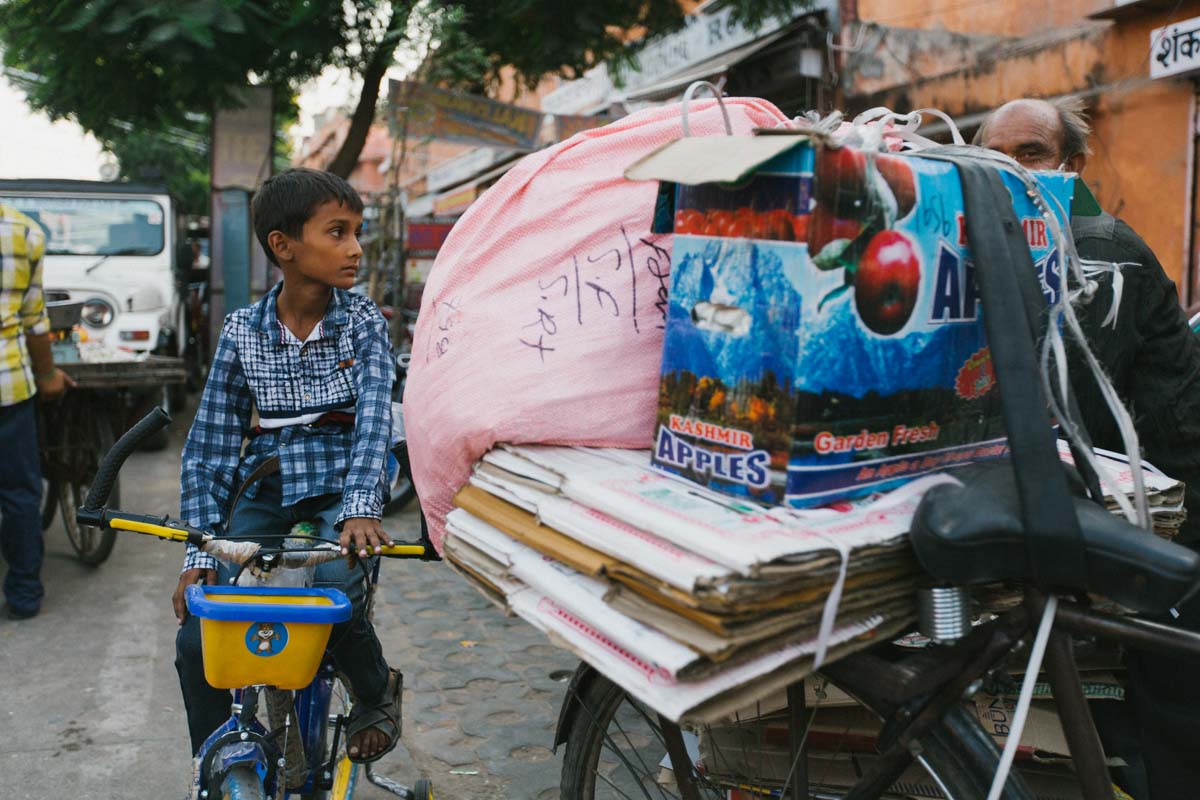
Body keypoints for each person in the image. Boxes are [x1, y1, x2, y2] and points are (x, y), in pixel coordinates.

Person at [978, 97, 1200, 800]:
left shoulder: (1096, 248)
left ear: (1072, 166)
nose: (1010, 172)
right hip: (1088, 496)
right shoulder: (984, 240)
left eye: (1032, 155)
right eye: (993, 156)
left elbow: (1068, 412)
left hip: (1160, 500)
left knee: (1169, 691)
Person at [173, 168, 401, 762]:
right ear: (284, 246)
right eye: (337, 232)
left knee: (334, 586)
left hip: (340, 482)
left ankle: (376, 690)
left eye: (357, 232)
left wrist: (359, 509)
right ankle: (218, 756)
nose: (354, 248)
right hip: (264, 487)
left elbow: (376, 423)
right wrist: (199, 553)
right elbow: (211, 447)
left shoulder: (364, 323)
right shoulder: (241, 331)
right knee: (204, 626)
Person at [0, 203, 72, 621]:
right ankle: (24, 594)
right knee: (19, 496)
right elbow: (34, 322)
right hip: (8, 387)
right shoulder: (22, 230)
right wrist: (48, 376)